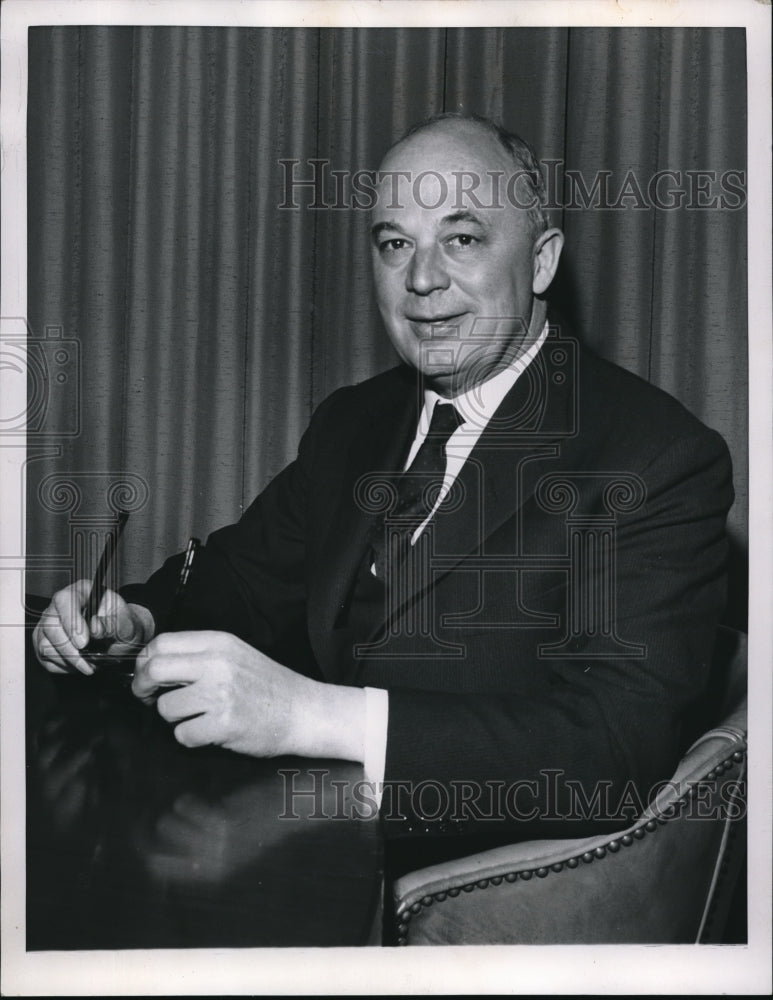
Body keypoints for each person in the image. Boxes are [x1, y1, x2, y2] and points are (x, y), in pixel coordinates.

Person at [33, 114, 733, 858]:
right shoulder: (355, 420)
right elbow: (244, 579)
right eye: (395, 244)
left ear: (539, 262)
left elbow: (616, 749)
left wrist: (309, 715)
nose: (422, 280)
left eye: (461, 239)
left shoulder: (655, 456)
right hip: (299, 841)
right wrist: (132, 621)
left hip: (470, 882)